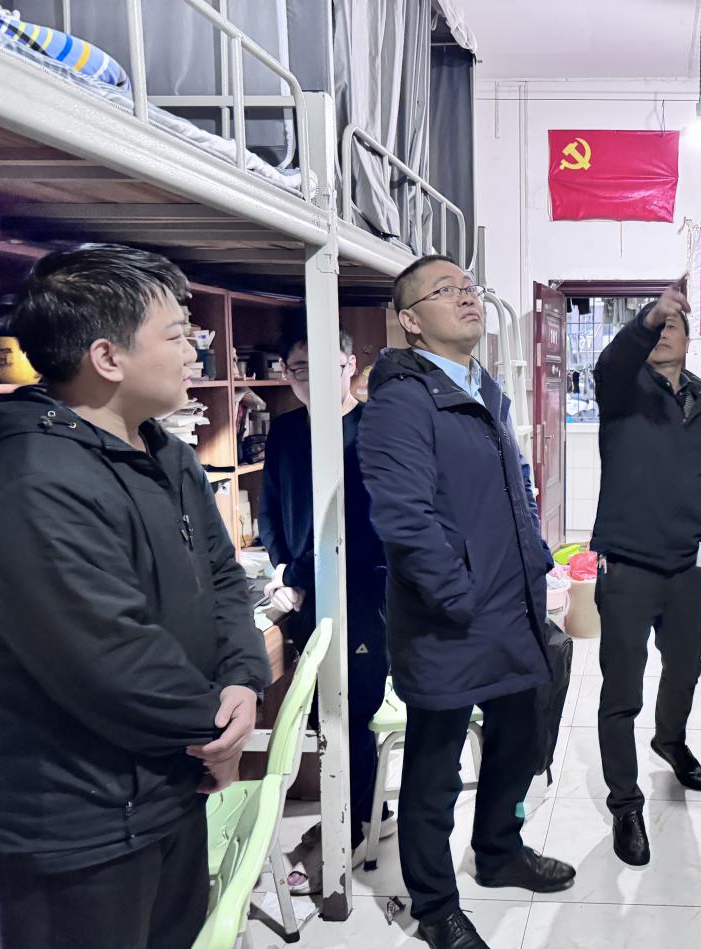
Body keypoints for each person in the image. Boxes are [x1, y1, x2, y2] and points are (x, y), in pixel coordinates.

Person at [0, 244, 270, 949]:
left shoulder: (162, 450)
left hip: (166, 785)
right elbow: (107, 656)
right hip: (81, 821)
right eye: (177, 336)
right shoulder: (31, 477)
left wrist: (241, 677)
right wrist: (216, 735)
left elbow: (222, 576)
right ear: (107, 357)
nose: (193, 351)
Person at [359, 255, 575, 949]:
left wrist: (535, 564)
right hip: (449, 618)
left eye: (469, 287)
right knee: (436, 764)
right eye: (444, 290)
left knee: (516, 739)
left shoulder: (483, 389)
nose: (466, 297)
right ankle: (435, 906)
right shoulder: (401, 402)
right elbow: (404, 518)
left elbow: (509, 497)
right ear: (410, 320)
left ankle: (499, 850)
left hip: (510, 605)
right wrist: (458, 596)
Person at [592, 282, 701, 867]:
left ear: (690, 340)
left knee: (686, 665)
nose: (665, 333)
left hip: (687, 564)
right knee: (622, 689)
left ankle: (670, 740)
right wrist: (649, 317)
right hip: (629, 564)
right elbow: (614, 360)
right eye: (657, 327)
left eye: (673, 327)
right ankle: (626, 803)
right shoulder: (622, 388)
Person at [259, 320, 390, 892]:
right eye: (299, 370)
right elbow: (270, 506)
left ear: (350, 366)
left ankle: (347, 834)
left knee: (349, 713)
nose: (311, 380)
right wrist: (282, 569)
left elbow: (364, 528)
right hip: (304, 594)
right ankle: (364, 814)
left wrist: (300, 576)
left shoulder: (373, 430)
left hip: (361, 593)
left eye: (325, 368)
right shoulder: (288, 430)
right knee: (321, 715)